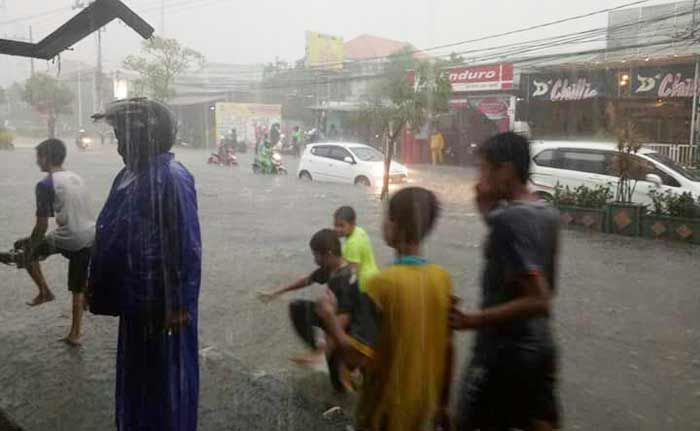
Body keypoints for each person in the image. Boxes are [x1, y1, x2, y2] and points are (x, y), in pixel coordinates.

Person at [89, 98, 202, 431]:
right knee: (136, 377)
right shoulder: (128, 175)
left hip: (162, 306)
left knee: (165, 384)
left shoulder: (172, 177)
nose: (119, 146)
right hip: (135, 301)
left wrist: (180, 303)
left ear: (148, 137)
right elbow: (112, 228)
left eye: (125, 138)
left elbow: (187, 244)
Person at [317, 187, 454, 431]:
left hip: (385, 411)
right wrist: (442, 406)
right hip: (424, 406)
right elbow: (448, 349)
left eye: (386, 218)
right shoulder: (442, 279)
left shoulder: (380, 286)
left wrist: (329, 318)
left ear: (395, 226)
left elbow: (356, 359)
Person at [449, 132, 561, 431]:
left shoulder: (509, 220)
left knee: (466, 423)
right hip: (541, 347)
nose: (479, 177)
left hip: (503, 350)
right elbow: (519, 257)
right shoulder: (546, 212)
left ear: (506, 170)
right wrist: (487, 211)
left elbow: (538, 296)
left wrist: (474, 320)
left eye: (484, 168)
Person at [1, 138, 95, 346]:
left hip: (69, 237)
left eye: (38, 157)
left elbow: (42, 226)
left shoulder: (45, 184)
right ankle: (75, 333)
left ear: (45, 157)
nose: (36, 162)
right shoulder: (75, 177)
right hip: (90, 235)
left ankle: (44, 291)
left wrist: (29, 248)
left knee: (25, 251)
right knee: (77, 287)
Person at [258, 229, 361, 392]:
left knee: (339, 388)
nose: (314, 260)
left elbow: (343, 321)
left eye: (316, 256)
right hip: (332, 318)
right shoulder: (330, 268)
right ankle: (321, 354)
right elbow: (307, 280)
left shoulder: (346, 278)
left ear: (328, 254)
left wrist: (324, 352)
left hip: (348, 332)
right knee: (297, 307)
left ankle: (335, 363)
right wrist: (277, 292)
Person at [333, 206, 379, 292]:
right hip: (373, 276)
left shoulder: (352, 244)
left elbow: (353, 272)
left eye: (341, 225)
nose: (337, 229)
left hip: (364, 284)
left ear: (353, 224)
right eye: (335, 225)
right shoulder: (359, 231)